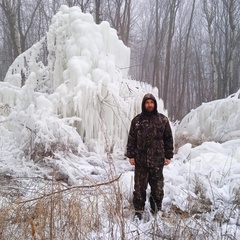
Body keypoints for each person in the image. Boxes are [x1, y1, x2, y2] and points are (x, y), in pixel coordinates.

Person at [126, 93, 174, 220]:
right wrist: (131, 155)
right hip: (140, 162)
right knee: (139, 189)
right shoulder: (136, 121)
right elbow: (131, 139)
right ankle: (138, 213)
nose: (149, 105)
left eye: (151, 102)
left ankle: (156, 212)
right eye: (147, 103)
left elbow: (168, 138)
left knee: (157, 189)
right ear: (143, 104)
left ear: (155, 104)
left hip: (157, 162)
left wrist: (168, 155)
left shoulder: (162, 120)